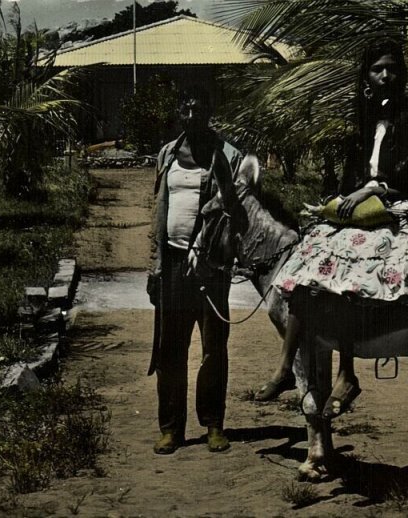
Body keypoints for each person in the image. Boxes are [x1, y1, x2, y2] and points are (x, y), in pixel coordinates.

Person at [256, 39, 408, 419]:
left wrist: (368, 191)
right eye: (377, 69)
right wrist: (339, 202)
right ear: (366, 75)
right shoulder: (362, 116)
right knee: (307, 263)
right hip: (362, 206)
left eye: (392, 68)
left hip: (398, 206)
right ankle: (285, 366)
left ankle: (346, 371)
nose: (385, 75)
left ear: (401, 73)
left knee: (352, 270)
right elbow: (353, 172)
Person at [146, 87, 243, 454]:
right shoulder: (168, 155)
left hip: (210, 266)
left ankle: (214, 425)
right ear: (178, 114)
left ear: (208, 114)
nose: (191, 117)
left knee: (213, 348)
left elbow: (237, 209)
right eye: (185, 110)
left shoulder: (227, 155)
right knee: (170, 348)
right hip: (171, 264)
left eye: (198, 110)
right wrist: (155, 267)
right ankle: (171, 428)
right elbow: (158, 211)